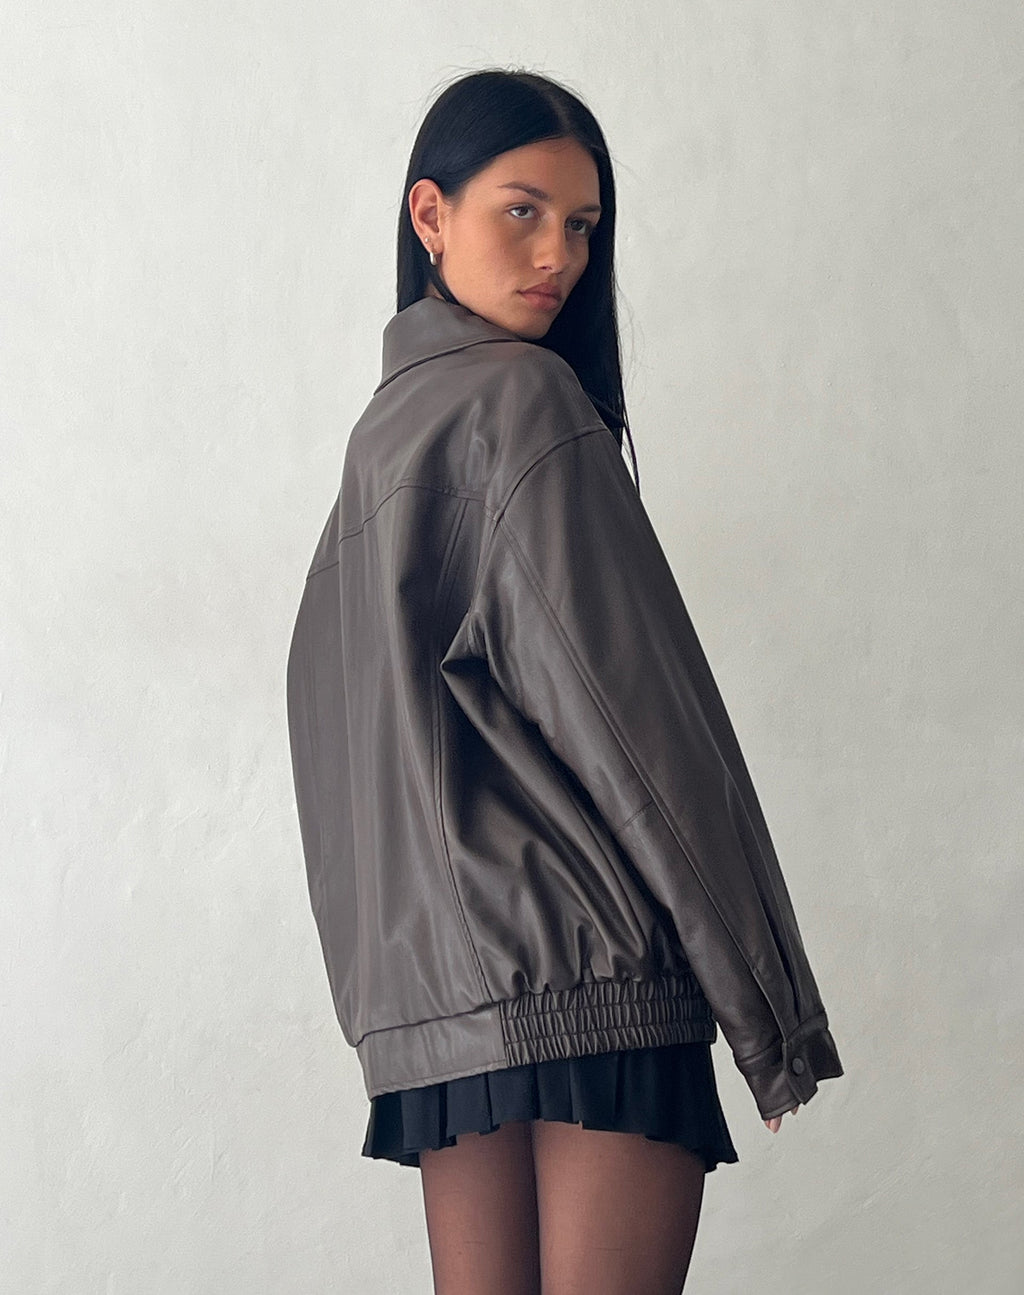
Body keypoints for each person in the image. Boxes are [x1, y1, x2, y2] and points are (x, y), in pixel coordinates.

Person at [285, 67, 843, 1295]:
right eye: (522, 211)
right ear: (428, 215)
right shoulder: (526, 402)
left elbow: (342, 778)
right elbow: (642, 732)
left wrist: (400, 1016)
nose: (561, 257)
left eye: (583, 225)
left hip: (444, 1033)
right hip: (594, 984)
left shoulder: (377, 446)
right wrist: (770, 1012)